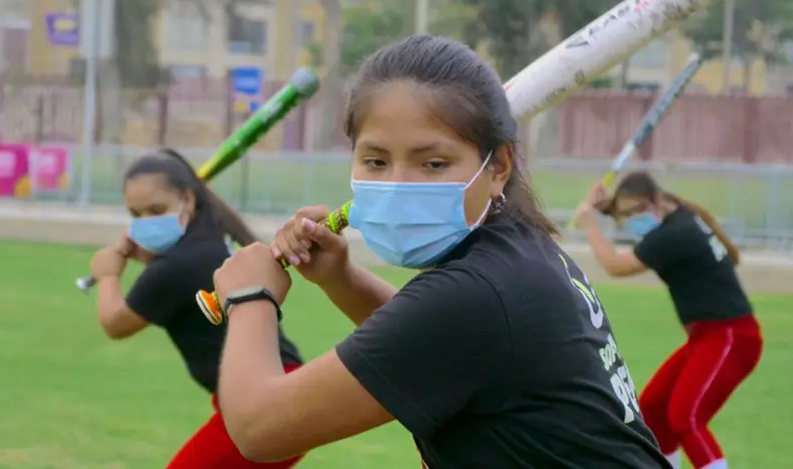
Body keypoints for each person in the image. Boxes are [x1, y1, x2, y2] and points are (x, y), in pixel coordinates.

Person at [207, 35, 671, 468]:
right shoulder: (517, 253)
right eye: (376, 161)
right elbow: (430, 348)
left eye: (433, 163)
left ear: (498, 167)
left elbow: (259, 429)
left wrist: (250, 298)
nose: (398, 184)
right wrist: (340, 278)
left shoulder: (478, 293)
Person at [88, 148, 305, 469]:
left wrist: (108, 274)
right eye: (135, 215)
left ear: (188, 200)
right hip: (277, 393)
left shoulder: (176, 266)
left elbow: (115, 323)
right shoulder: (209, 240)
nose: (145, 222)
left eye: (156, 210)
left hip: (265, 403)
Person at [573, 171, 762, 469]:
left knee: (686, 417)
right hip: (705, 338)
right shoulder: (678, 213)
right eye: (625, 215)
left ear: (657, 200)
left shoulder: (673, 236)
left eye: (637, 211)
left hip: (731, 337)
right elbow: (636, 208)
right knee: (653, 414)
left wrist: (590, 225)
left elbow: (615, 266)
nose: (633, 220)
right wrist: (604, 206)